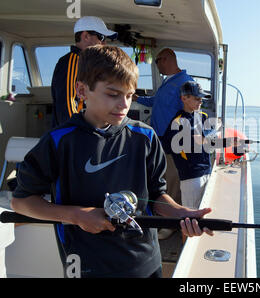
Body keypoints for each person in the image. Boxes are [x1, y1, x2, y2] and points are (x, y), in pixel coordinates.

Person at [11, 45, 213, 278]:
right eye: (112, 94)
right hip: (85, 268)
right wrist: (77, 215)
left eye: (129, 95)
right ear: (82, 90)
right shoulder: (58, 142)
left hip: (145, 264)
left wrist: (178, 212)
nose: (124, 105)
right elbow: (21, 202)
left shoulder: (146, 137)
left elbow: (157, 195)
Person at [162, 81, 242, 241]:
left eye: (202, 99)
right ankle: (185, 249)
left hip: (207, 171)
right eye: (197, 99)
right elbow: (172, 146)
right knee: (188, 220)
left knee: (202, 214)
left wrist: (230, 143)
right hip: (191, 177)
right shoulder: (177, 122)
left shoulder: (204, 117)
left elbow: (209, 142)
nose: (201, 102)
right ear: (184, 98)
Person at [136, 48, 193, 239]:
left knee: (172, 179)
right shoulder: (167, 82)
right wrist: (137, 99)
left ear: (166, 59)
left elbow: (191, 111)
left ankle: (171, 224)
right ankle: (161, 216)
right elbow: (156, 102)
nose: (156, 65)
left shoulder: (186, 82)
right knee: (160, 178)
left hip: (172, 141)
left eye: (157, 61)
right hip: (158, 140)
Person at [51, 16, 118, 128]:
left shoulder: (86, 63)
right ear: (86, 36)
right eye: (101, 37)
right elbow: (67, 102)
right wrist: (76, 134)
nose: (104, 43)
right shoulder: (73, 61)